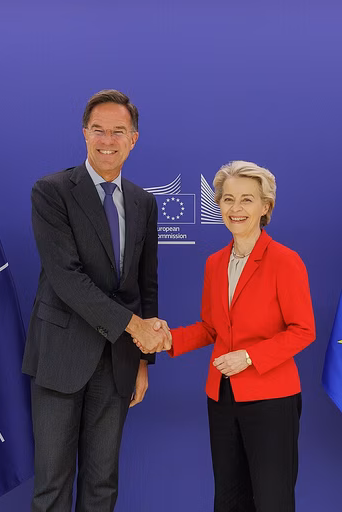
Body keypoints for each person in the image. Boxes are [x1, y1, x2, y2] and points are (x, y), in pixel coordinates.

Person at [23, 89, 171, 512]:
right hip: (59, 358)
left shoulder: (144, 202)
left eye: (118, 132)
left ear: (134, 139)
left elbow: (147, 284)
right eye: (99, 130)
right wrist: (136, 328)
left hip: (119, 362)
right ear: (85, 134)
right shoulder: (51, 192)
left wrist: (143, 359)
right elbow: (67, 279)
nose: (108, 140)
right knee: (52, 486)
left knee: (102, 485)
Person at [143, 160, 315, 512]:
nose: (236, 209)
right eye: (228, 199)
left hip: (271, 398)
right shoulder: (215, 262)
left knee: (272, 500)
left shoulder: (286, 261)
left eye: (247, 200)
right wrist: (168, 339)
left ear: (266, 207)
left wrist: (250, 357)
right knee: (228, 499)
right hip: (221, 396)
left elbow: (303, 330)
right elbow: (211, 327)